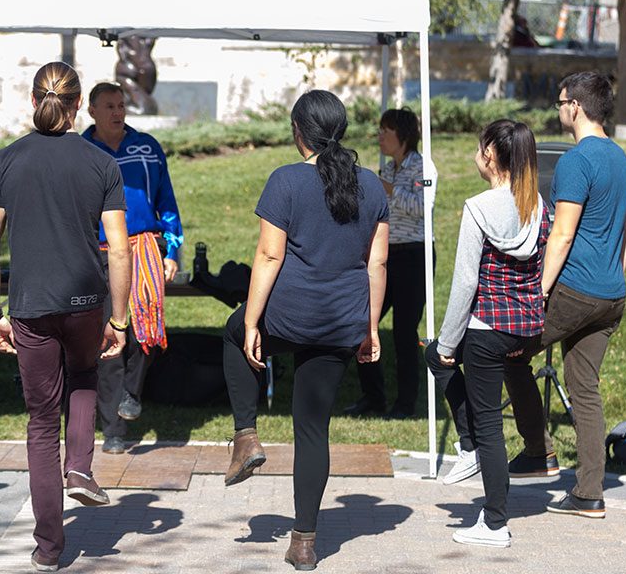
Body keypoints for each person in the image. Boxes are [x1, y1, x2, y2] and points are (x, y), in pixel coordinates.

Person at [222, 90, 388, 571]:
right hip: (341, 322)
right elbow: (376, 261)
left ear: (299, 132)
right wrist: (370, 327)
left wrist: (252, 321)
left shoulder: (286, 181)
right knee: (313, 430)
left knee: (233, 336)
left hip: (288, 317)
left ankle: (246, 436)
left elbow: (270, 256)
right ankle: (304, 543)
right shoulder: (374, 187)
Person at [0, 62, 131, 572]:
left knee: (41, 422)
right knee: (85, 375)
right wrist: (122, 318)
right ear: (78, 102)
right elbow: (119, 250)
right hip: (87, 300)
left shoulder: (6, 160)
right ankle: (82, 469)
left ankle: (48, 549)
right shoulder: (100, 163)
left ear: (32, 100)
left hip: (30, 304)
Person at [503, 72, 626, 519]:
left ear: (575, 107)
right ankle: (588, 493)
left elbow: (561, 234)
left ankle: (538, 451)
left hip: (573, 290)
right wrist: (611, 276)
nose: (559, 109)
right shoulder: (623, 162)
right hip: (610, 296)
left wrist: (537, 292)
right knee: (584, 389)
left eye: (561, 102)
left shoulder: (577, 162)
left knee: (508, 352)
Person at [425, 119, 550, 548]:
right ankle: (470, 447)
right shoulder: (539, 207)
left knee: (488, 427)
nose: (477, 154)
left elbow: (464, 283)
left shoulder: (479, 207)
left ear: (492, 156)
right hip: (526, 329)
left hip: (487, 329)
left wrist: (446, 343)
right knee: (438, 359)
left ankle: (494, 521)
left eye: (480, 148)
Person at [83, 82, 184, 454]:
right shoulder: (81, 150)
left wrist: (172, 250)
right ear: (91, 111)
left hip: (143, 249)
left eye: (121, 105)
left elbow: (166, 200)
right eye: (109, 106)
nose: (117, 112)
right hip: (100, 253)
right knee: (109, 337)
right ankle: (112, 430)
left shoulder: (147, 147)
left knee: (145, 329)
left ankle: (131, 393)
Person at [347, 107, 434, 419]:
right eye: (379, 130)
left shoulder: (423, 167)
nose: (379, 136)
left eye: (386, 130)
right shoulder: (387, 169)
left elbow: (422, 205)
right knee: (361, 322)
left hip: (415, 255)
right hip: (385, 256)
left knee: (403, 332)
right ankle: (373, 397)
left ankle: (406, 403)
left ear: (404, 136)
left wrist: (387, 189)